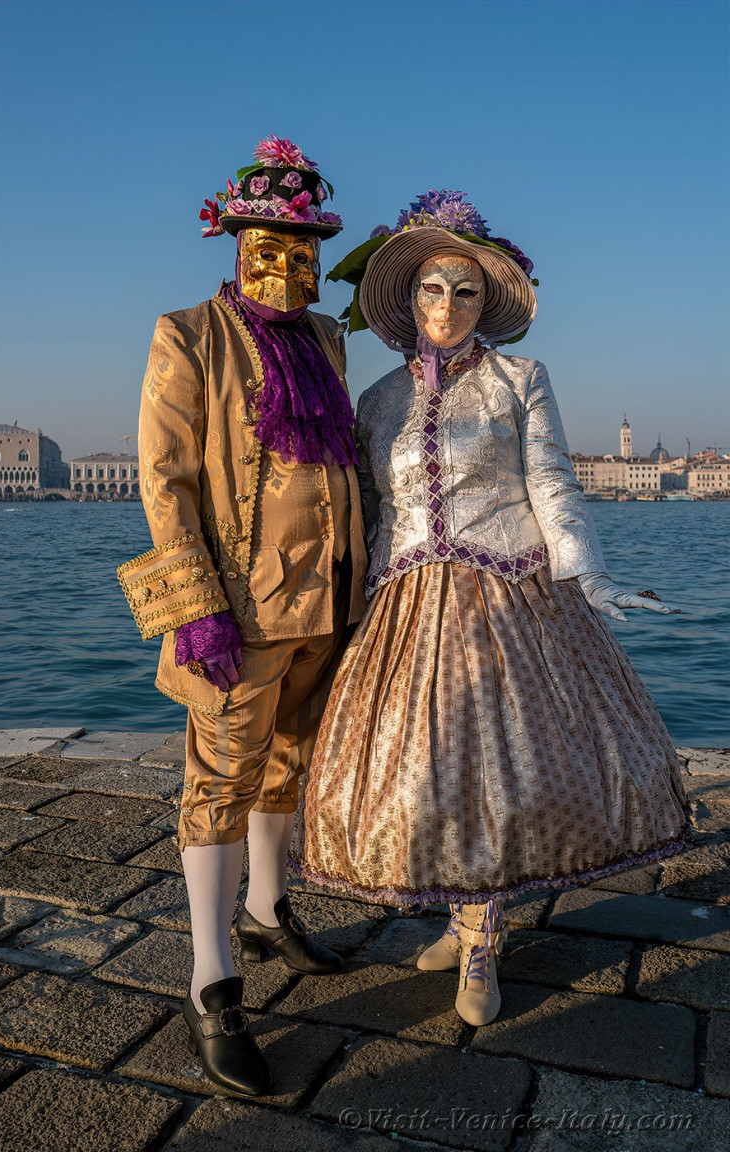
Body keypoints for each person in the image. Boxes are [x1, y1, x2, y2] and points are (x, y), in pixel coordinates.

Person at [292, 189, 690, 1028]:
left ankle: (481, 938)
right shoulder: (378, 400)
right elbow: (370, 507)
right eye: (431, 289)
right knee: (425, 770)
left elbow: (551, 480)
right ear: (408, 300)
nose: (446, 306)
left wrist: (588, 575)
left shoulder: (521, 380)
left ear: (487, 303)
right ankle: (460, 918)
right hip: (406, 601)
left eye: (465, 292)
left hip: (508, 594)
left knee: (498, 772)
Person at [118, 136, 368, 1096]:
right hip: (242, 608)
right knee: (220, 780)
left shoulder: (329, 340)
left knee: (290, 763)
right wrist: (194, 608)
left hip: (330, 599)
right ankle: (211, 980)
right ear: (236, 243)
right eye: (272, 248)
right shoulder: (188, 335)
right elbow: (165, 479)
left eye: (306, 251)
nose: (290, 268)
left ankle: (267, 911)